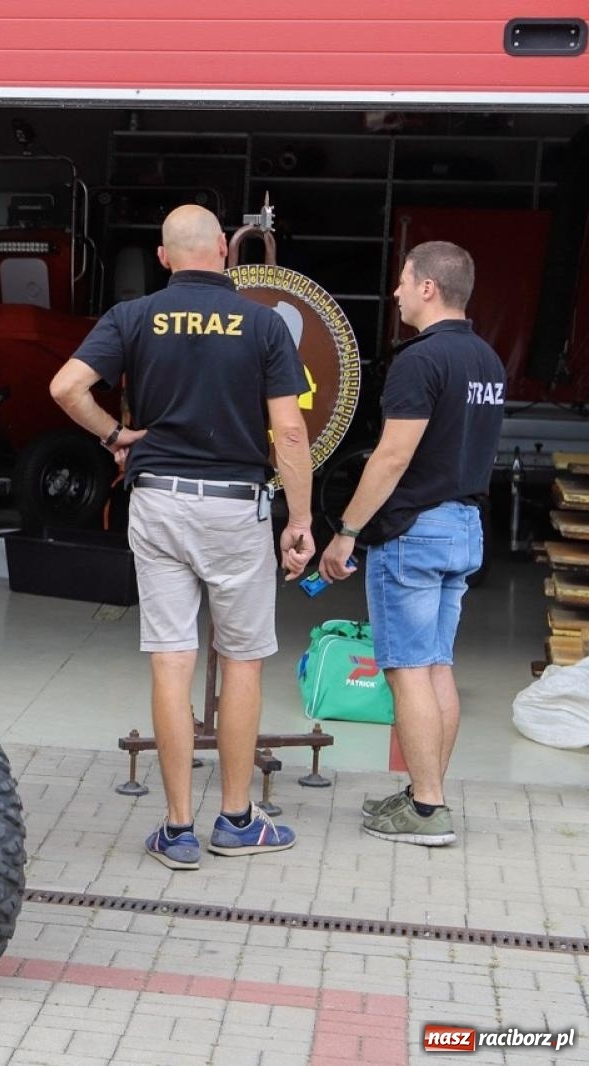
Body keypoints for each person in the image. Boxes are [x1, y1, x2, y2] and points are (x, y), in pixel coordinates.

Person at [49, 204, 315, 871]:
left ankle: (175, 829)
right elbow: (288, 433)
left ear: (164, 258)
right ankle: (235, 818)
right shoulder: (261, 324)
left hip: (159, 502)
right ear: (225, 250)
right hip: (234, 508)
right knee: (242, 659)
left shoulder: (133, 317)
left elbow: (66, 387)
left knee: (172, 658)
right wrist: (301, 520)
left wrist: (112, 434)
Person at [319, 241, 505, 848]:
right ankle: (430, 794)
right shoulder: (486, 360)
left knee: (405, 670)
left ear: (428, 288)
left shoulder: (420, 361)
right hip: (464, 528)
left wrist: (345, 532)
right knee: (436, 665)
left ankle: (425, 810)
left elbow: (393, 455)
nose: (395, 290)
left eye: (402, 279)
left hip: (413, 531)